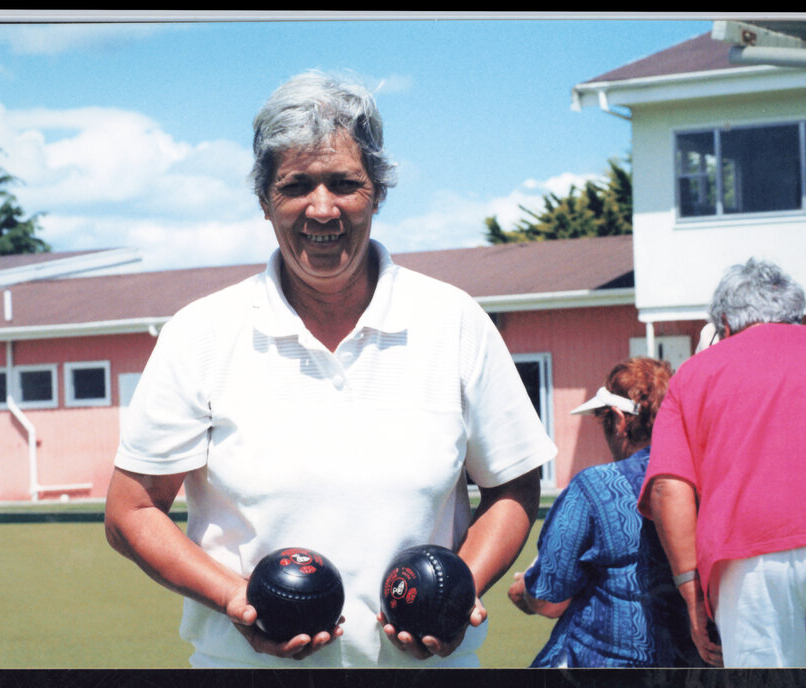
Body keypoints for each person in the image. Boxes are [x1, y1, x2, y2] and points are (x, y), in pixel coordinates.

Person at [104, 70, 557, 668]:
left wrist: (460, 589)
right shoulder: (202, 333)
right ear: (265, 201)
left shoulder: (454, 321)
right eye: (296, 186)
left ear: (378, 192)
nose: (323, 208)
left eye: (345, 183)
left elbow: (512, 486)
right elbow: (130, 511)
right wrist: (234, 599)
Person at [638, 258, 806, 668]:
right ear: (794, 311)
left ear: (724, 319)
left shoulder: (694, 373)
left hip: (744, 559)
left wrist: (691, 594)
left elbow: (669, 487)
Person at [507, 357, 704, 668]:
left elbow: (548, 597)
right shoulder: (705, 479)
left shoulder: (593, 486)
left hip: (605, 666)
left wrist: (524, 591)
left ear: (619, 420)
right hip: (693, 666)